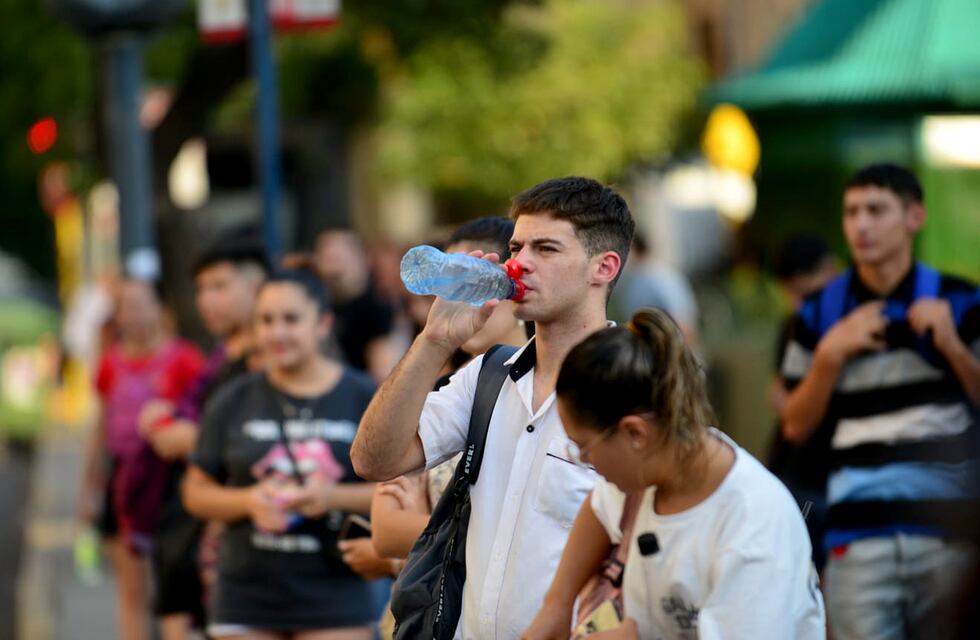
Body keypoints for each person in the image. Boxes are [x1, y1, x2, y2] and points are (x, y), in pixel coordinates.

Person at [352, 177, 635, 638]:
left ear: (603, 267)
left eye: (545, 249)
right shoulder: (488, 374)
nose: (519, 265)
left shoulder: (635, 389)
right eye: (516, 247)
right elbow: (372, 459)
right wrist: (434, 341)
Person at [523, 308, 825, 640]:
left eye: (584, 447)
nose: (585, 461)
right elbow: (598, 506)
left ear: (635, 433)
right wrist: (557, 604)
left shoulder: (753, 529)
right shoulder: (652, 468)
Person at [780, 163, 980, 639]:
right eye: (851, 212)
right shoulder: (817, 314)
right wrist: (830, 354)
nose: (861, 224)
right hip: (857, 539)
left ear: (915, 217)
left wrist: (951, 344)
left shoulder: (963, 300)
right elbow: (794, 427)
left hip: (949, 535)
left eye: (876, 209)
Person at [182, 269, 378, 639]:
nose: (277, 332)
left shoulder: (364, 396)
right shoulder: (232, 399)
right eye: (266, 321)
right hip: (246, 593)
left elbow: (400, 490)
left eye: (291, 319)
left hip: (337, 591)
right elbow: (195, 491)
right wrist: (249, 500)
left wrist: (330, 498)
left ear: (323, 323)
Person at [137, 236, 271, 639]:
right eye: (200, 289)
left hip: (235, 542)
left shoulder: (270, 361)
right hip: (185, 535)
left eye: (219, 286)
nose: (206, 300)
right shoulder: (221, 355)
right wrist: (167, 415)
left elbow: (269, 441)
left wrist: (192, 438)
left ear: (255, 286)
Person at [79, 277, 206, 640]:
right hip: (124, 483)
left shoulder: (185, 359)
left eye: (139, 303)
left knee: (172, 591)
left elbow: (201, 418)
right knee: (131, 590)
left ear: (160, 308)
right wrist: (87, 489)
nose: (130, 314)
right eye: (123, 306)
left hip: (173, 480)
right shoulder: (109, 363)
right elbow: (99, 428)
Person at [767, 234, 839, 572]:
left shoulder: (854, 324)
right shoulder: (794, 326)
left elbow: (786, 398)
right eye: (791, 294)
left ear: (832, 271)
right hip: (796, 471)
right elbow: (780, 395)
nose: (799, 304)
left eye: (805, 292)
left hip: (833, 475)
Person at [313, 227, 399, 381]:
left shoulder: (375, 309)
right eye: (328, 258)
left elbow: (383, 372)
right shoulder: (316, 305)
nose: (333, 269)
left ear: (362, 260)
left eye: (339, 259)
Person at [608, 234, 698, 347]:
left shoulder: (658, 277)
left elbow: (682, 320)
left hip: (666, 350)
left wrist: (681, 356)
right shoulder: (635, 279)